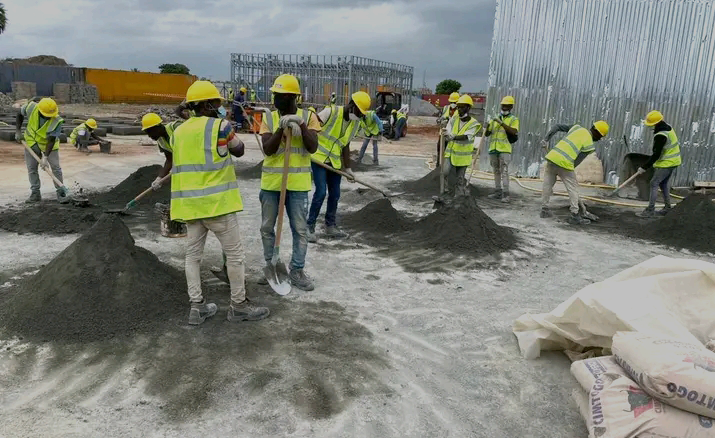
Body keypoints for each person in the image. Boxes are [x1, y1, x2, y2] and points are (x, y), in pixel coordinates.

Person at [170, 80, 268, 325]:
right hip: (217, 205)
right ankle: (239, 306)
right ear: (206, 105)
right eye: (216, 103)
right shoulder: (220, 127)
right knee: (234, 255)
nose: (219, 106)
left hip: (191, 207)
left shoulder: (178, 131)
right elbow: (239, 150)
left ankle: (197, 307)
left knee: (192, 257)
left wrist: (186, 109)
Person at [259, 74, 322, 290]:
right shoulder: (268, 117)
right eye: (275, 94)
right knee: (267, 228)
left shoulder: (309, 116)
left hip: (297, 184)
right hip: (271, 183)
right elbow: (267, 149)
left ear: (292, 97)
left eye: (279, 95)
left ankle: (297, 270)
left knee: (300, 229)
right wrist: (280, 128)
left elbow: (313, 147)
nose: (275, 99)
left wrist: (302, 126)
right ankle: (271, 266)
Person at [307, 91, 371, 241]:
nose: (361, 116)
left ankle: (330, 226)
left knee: (335, 194)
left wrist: (348, 168)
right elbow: (311, 128)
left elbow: (346, 145)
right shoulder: (331, 112)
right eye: (359, 112)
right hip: (319, 158)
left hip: (335, 162)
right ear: (352, 106)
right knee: (321, 192)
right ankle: (309, 226)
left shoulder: (355, 123)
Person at [540, 121, 609, 224]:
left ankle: (544, 210)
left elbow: (557, 126)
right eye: (600, 136)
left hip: (552, 157)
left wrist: (546, 139)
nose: (599, 139)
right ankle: (575, 215)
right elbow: (576, 161)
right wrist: (567, 172)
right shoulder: (589, 144)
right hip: (565, 164)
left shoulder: (576, 128)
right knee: (573, 189)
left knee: (547, 185)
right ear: (597, 132)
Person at [15, 97, 68, 204]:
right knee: (32, 168)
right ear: (40, 111)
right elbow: (19, 114)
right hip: (31, 141)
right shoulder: (31, 108)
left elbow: (51, 140)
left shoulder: (57, 120)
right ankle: (35, 193)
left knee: (56, 168)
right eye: (46, 116)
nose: (49, 118)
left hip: (48, 145)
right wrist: (18, 131)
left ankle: (61, 192)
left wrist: (45, 157)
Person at [636, 110, 682, 218]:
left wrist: (644, 167)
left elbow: (656, 155)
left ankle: (650, 210)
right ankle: (667, 208)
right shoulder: (667, 127)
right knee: (663, 183)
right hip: (674, 161)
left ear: (655, 123)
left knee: (654, 183)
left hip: (667, 163)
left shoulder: (661, 135)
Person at [441, 95, 481, 197]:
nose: (459, 109)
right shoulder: (454, 119)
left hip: (463, 157)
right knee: (445, 172)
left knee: (460, 178)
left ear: (468, 108)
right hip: (450, 153)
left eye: (462, 107)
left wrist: (452, 137)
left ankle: (458, 198)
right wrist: (445, 131)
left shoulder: (474, 123)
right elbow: (448, 130)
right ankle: (445, 193)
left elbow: (466, 137)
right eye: (458, 107)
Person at [484, 96, 520, 202]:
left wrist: (501, 123)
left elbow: (514, 131)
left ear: (511, 107)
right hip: (493, 149)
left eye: (506, 106)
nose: (504, 108)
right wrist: (486, 127)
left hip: (504, 149)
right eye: (503, 106)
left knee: (504, 171)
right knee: (496, 171)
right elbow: (487, 134)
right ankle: (498, 192)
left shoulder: (513, 119)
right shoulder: (495, 117)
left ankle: (506, 194)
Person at [141, 112, 182, 189]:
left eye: (150, 132)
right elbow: (170, 159)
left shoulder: (176, 128)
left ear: (158, 126)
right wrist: (160, 178)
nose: (149, 136)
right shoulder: (161, 141)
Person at [436, 92, 460, 166]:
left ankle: (448, 166)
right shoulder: (445, 108)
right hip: (443, 133)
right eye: (451, 102)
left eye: (454, 102)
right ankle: (439, 165)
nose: (453, 103)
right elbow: (438, 119)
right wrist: (441, 121)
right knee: (440, 149)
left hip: (452, 134)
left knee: (450, 152)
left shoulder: (460, 110)